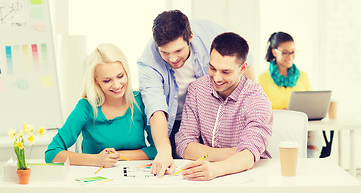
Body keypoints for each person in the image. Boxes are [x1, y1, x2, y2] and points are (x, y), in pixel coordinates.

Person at [137, 10, 256, 177]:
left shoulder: (209, 33)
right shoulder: (148, 61)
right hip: (171, 122)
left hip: (212, 116)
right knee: (179, 169)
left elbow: (244, 61)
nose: (172, 59)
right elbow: (156, 108)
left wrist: (252, 101)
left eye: (178, 51)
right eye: (165, 52)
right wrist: (164, 151)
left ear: (190, 38)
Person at [175, 32, 272, 181]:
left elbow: (249, 155)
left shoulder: (256, 98)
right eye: (212, 68)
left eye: (226, 72)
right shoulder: (197, 89)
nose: (217, 78)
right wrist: (234, 154)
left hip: (249, 178)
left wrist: (215, 168)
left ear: (242, 68)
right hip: (209, 177)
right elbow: (184, 145)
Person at [45, 43, 157, 166]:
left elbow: (157, 150)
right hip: (95, 180)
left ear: (127, 72)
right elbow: (52, 153)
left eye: (120, 76)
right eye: (107, 80)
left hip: (133, 178)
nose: (116, 85)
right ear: (96, 80)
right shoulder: (86, 107)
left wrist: (117, 156)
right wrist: (96, 160)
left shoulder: (140, 101)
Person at [258, 32, 321, 158]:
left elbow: (311, 105)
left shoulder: (303, 77)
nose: (290, 56)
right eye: (285, 52)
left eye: (292, 52)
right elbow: (259, 109)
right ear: (275, 52)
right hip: (275, 129)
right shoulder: (262, 78)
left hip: (301, 128)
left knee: (315, 139)